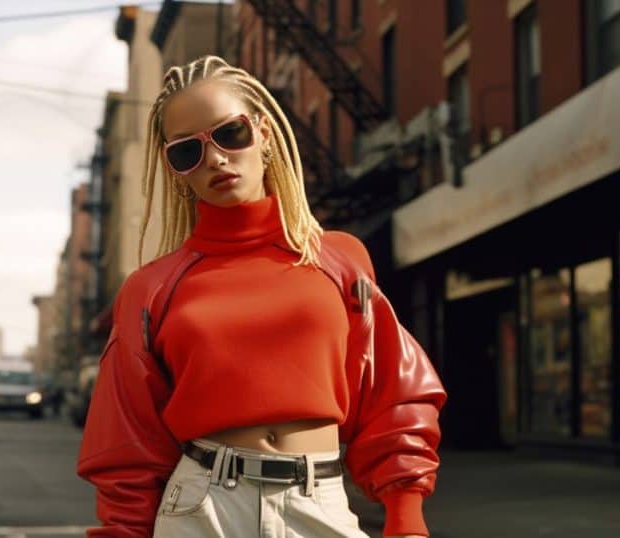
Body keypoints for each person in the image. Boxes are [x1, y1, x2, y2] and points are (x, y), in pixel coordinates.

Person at [77, 55, 446, 538]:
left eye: (230, 134)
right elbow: (128, 438)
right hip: (201, 509)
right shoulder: (152, 288)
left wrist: (405, 510)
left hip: (319, 502)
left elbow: (392, 389)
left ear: (264, 133)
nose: (215, 158)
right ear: (175, 170)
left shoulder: (339, 259)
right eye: (187, 151)